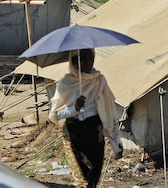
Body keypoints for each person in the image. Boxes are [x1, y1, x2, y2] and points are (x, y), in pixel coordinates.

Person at [49, 48, 123, 188]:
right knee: (82, 180)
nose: (87, 62)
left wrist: (116, 143)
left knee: (93, 177)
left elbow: (109, 112)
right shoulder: (65, 83)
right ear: (74, 61)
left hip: (95, 133)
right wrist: (74, 108)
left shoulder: (99, 81)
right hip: (73, 134)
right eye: (82, 58)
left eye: (90, 57)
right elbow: (55, 114)